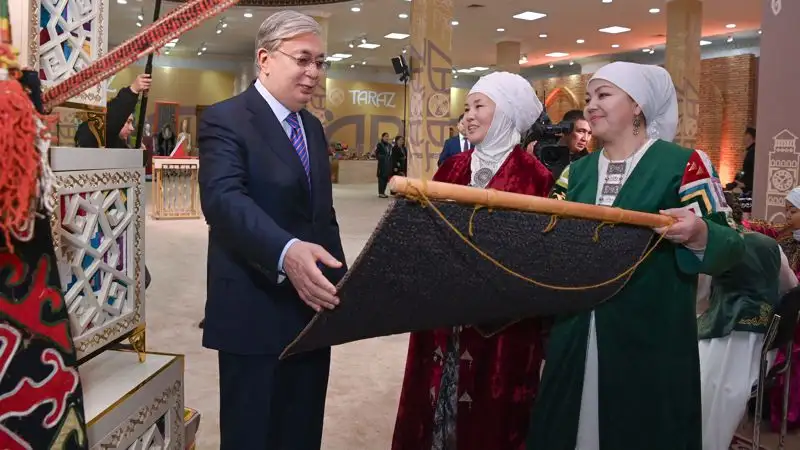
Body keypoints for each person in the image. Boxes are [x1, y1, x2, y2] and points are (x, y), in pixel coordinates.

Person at [527, 61, 745, 450]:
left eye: (604, 95)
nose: (591, 105)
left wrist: (700, 233)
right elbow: (549, 243)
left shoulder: (684, 165)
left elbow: (732, 244)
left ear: (638, 105)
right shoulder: (575, 174)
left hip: (650, 339)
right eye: (589, 97)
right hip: (576, 334)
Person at [198, 11, 347, 450]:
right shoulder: (226, 119)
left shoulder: (313, 128)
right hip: (254, 312)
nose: (314, 72)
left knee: (301, 432)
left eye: (320, 62)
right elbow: (223, 201)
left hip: (311, 315)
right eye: (303, 59)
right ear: (265, 59)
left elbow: (322, 216)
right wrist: (286, 251)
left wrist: (344, 283)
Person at [392, 71, 554, 450]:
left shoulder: (536, 179)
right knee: (434, 404)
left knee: (489, 417)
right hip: (442, 317)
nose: (469, 116)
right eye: (466, 108)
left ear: (507, 113)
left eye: (479, 106)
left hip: (502, 326)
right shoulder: (452, 168)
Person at [697, 192, 798, 450]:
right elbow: (790, 287)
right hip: (767, 339)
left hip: (724, 333)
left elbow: (700, 297)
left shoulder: (715, 248)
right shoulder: (771, 245)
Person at [744, 187, 800, 432]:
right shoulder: (787, 239)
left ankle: (789, 412)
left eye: (793, 211)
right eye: (786, 210)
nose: (787, 216)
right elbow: (764, 230)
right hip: (782, 308)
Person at [75, 73, 151, 148]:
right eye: (128, 122)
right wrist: (133, 90)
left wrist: (135, 154)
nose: (132, 128)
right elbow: (113, 118)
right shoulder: (91, 133)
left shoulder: (119, 144)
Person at [375, 132, 393, 197]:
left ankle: (383, 192)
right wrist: (384, 157)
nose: (387, 138)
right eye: (385, 136)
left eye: (388, 136)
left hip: (388, 165)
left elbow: (391, 154)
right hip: (382, 165)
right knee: (381, 179)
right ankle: (380, 193)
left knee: (385, 178)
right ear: (382, 137)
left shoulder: (390, 145)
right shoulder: (379, 145)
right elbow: (377, 154)